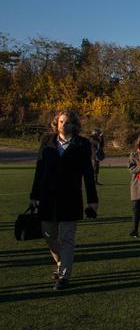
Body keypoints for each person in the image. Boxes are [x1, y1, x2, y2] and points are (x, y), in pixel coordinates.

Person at [29, 110, 98, 290]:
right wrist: (33, 196)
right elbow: (39, 170)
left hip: (70, 198)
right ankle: (61, 263)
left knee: (67, 238)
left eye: (67, 122)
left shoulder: (82, 144)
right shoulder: (47, 142)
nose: (63, 125)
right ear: (56, 123)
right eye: (61, 122)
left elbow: (88, 174)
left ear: (74, 125)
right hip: (47, 198)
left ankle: (64, 276)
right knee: (49, 235)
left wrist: (92, 200)